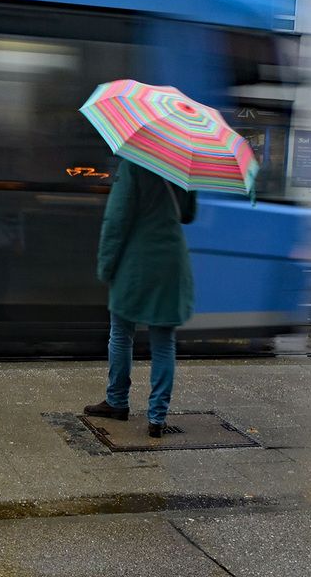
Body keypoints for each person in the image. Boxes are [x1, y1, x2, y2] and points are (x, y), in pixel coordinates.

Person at [85, 158, 196, 438]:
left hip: (136, 262)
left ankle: (117, 401)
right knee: (163, 342)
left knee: (121, 333)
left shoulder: (133, 162)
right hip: (172, 262)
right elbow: (187, 213)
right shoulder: (183, 162)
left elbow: (117, 218)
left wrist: (105, 265)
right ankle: (157, 418)